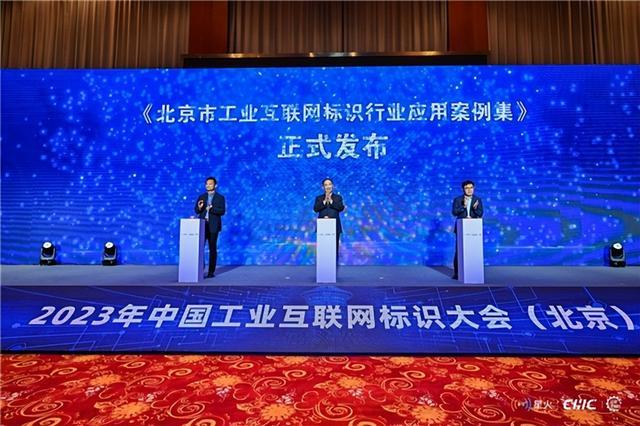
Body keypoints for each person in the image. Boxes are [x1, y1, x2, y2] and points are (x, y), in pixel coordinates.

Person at [194, 176, 226, 278]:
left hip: (213, 226)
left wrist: (211, 209)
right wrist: (199, 207)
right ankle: (200, 268)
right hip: (202, 226)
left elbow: (222, 211)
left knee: (212, 248)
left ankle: (211, 271)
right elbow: (196, 210)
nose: (208, 185)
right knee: (200, 248)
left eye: (210, 184)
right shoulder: (202, 196)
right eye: (206, 184)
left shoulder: (220, 198)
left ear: (215, 185)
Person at [451, 180, 483, 279]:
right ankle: (457, 272)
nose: (469, 190)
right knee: (459, 250)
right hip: (461, 228)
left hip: (473, 228)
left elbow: (480, 213)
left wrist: (475, 208)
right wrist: (463, 207)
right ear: (463, 189)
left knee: (473, 250)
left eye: (471, 188)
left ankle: (473, 271)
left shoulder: (477, 200)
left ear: (474, 188)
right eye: (467, 188)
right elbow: (454, 212)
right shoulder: (458, 200)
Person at [313, 178, 345, 261]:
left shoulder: (338, 197)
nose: (328, 186)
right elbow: (316, 209)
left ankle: (334, 264)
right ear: (323, 187)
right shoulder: (319, 198)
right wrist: (324, 201)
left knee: (334, 248)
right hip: (322, 227)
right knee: (323, 249)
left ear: (333, 186)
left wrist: (330, 200)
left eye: (330, 184)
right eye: (326, 185)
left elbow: (340, 208)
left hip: (335, 226)